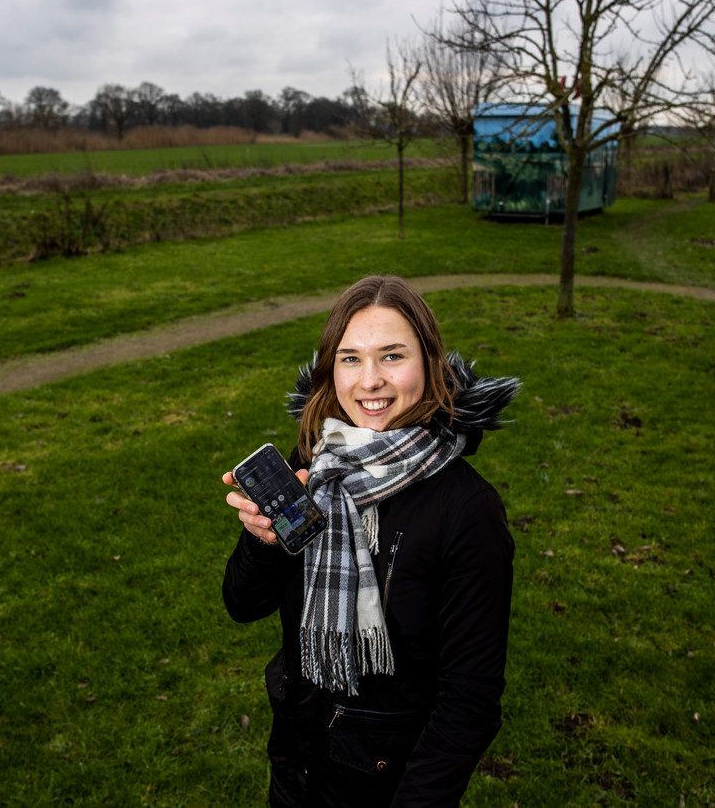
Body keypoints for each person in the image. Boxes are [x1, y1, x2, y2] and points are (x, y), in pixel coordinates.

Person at [221, 275, 520, 807]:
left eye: (392, 356)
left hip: (388, 785)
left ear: (429, 364)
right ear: (330, 369)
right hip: (298, 769)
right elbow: (243, 604)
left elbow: (469, 702)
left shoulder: (466, 510)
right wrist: (262, 540)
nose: (370, 382)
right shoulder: (315, 466)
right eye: (351, 358)